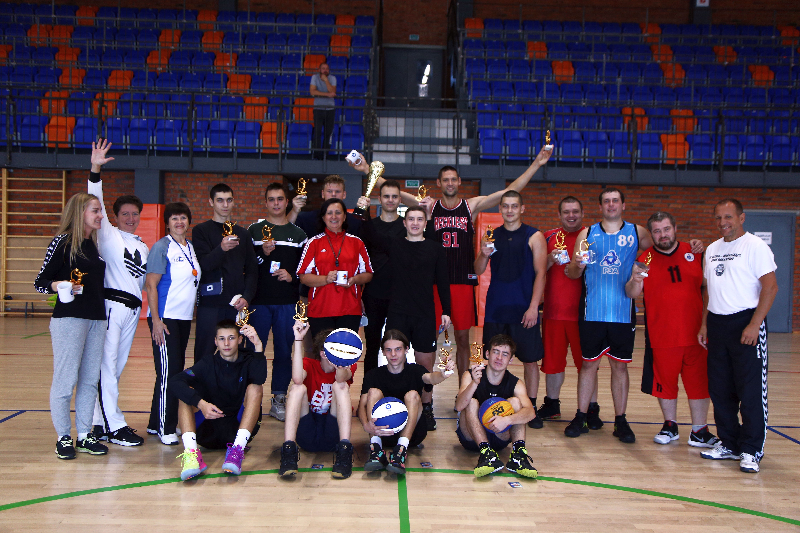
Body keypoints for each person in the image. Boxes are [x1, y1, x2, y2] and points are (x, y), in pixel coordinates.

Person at [424, 147, 553, 379]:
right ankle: (427, 391)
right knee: (429, 339)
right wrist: (368, 172)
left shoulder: (470, 206)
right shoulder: (430, 206)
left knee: (463, 339)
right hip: (434, 282)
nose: (450, 183)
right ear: (438, 182)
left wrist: (536, 164)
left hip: (462, 281)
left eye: (453, 179)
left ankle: (464, 387)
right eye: (445, 179)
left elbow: (509, 192)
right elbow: (394, 195)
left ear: (459, 181)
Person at [564, 188, 653, 444]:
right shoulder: (588, 234)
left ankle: (620, 420)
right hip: (592, 311)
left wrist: (694, 246)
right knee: (588, 365)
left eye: (615, 201)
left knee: (619, 367)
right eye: (606, 201)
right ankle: (581, 416)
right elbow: (572, 273)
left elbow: (661, 249)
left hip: (623, 312)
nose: (611, 204)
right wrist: (578, 265)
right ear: (600, 206)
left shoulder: (637, 232)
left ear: (623, 205)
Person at [625, 212, 719, 448]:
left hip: (696, 334)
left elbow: (709, 288)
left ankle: (699, 430)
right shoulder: (644, 260)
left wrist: (706, 323)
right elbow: (631, 293)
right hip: (662, 335)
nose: (663, 235)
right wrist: (635, 280)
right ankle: (670, 426)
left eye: (666, 229)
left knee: (699, 384)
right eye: (657, 231)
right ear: (651, 234)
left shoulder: (694, 253)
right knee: (665, 383)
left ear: (675, 228)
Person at [697, 199, 777, 474]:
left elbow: (770, 287)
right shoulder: (712, 249)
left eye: (728, 217)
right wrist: (705, 324)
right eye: (718, 218)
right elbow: (709, 290)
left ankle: (752, 449)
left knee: (750, 391)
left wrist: (755, 324)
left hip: (746, 322)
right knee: (720, 389)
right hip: (717, 324)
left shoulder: (755, 246)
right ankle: (729, 443)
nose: (723, 223)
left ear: (741, 218)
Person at [35, 192, 108, 459]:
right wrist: (58, 285)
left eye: (100, 210)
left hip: (96, 319)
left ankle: (85, 435)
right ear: (80, 213)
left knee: (89, 380)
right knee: (66, 380)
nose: (100, 215)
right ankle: (63, 437)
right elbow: (40, 282)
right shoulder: (62, 243)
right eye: (95, 211)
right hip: (69, 319)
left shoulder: (92, 244)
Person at [86, 140, 150, 447]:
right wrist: (95, 169)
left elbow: (145, 282)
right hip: (112, 306)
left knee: (115, 368)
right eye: (125, 213)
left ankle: (99, 423)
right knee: (106, 366)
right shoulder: (108, 234)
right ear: (114, 216)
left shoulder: (143, 245)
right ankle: (115, 425)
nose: (130, 218)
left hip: (133, 311)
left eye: (135, 214)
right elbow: (95, 197)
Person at [474, 191, 546, 430]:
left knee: (529, 361)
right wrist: (483, 254)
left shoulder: (534, 236)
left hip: (524, 310)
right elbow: (478, 269)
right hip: (496, 309)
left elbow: (541, 274)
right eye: (505, 206)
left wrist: (534, 307)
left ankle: (531, 408)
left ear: (522, 208)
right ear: (500, 209)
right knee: (491, 358)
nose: (510, 210)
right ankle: (488, 402)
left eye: (514, 206)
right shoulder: (491, 235)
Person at [170, 319, 266, 481]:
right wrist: (201, 404)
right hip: (207, 430)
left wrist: (258, 346)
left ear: (240, 339)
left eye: (231, 338)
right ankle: (192, 455)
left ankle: (237, 451)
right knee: (186, 394)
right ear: (215, 341)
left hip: (236, 429)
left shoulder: (249, 360)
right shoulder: (207, 363)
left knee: (255, 388)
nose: (226, 343)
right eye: (222, 339)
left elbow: (260, 378)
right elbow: (175, 381)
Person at [384, 206, 451, 430]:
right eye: (411, 219)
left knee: (425, 365)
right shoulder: (394, 245)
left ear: (425, 223)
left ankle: (427, 407)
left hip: (424, 314)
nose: (415, 223)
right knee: (395, 360)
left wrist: (447, 310)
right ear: (404, 223)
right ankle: (395, 406)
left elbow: (443, 281)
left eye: (419, 219)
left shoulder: (435, 248)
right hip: (398, 313)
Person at [247, 183, 307, 422]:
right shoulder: (254, 231)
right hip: (258, 302)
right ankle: (250, 397)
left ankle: (279, 398)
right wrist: (261, 254)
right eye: (271, 199)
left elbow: (305, 269)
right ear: (265, 202)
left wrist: (292, 277)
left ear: (287, 202)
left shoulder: (299, 234)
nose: (275, 203)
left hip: (287, 303)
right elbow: (246, 265)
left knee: (284, 352)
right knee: (254, 350)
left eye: (279, 199)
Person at [357, 329, 455, 475]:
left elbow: (430, 378)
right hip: (383, 434)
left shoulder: (415, 370)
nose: (393, 354)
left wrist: (442, 374)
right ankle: (376, 448)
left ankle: (401, 450)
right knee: (373, 392)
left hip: (412, 434)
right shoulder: (373, 375)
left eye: (398, 349)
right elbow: (362, 406)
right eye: (388, 350)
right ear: (383, 352)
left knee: (412, 395)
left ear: (406, 350)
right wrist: (366, 425)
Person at [539, 196, 601, 425]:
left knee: (587, 365)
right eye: (566, 212)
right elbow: (537, 270)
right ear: (559, 214)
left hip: (585, 315)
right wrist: (549, 259)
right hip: (554, 312)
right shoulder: (548, 237)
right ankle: (552, 404)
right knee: (553, 364)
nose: (571, 215)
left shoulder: (593, 237)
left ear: (583, 213)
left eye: (575, 211)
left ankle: (591, 409)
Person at [144, 202, 200, 445]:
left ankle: (155, 422)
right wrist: (156, 320)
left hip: (183, 319)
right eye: (174, 218)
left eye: (183, 218)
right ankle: (165, 427)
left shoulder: (190, 247)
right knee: (169, 373)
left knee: (172, 370)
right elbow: (151, 285)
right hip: (165, 319)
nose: (179, 222)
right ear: (167, 222)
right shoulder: (162, 246)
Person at [279, 323, 357, 479]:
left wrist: (339, 361)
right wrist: (298, 340)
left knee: (340, 386)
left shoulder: (347, 365)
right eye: (335, 349)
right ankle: (289, 451)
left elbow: (341, 378)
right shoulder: (310, 364)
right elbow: (297, 378)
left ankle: (344, 450)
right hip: (308, 430)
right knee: (297, 388)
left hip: (332, 432)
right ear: (323, 353)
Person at [455, 334, 538, 478]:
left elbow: (531, 412)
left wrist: (507, 420)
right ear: (487, 354)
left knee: (516, 402)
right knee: (471, 402)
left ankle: (518, 456)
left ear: (510, 360)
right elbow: (459, 406)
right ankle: (486, 454)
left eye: (505, 354)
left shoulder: (515, 383)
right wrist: (474, 383)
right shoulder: (471, 375)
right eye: (496, 352)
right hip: (471, 438)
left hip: (499, 436)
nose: (499, 358)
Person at [192, 183, 258, 363]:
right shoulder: (201, 231)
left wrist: (246, 297)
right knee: (204, 354)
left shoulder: (243, 234)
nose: (225, 205)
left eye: (229, 200)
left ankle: (235, 383)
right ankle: (202, 383)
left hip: (236, 305)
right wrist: (221, 248)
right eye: (220, 200)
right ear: (211, 202)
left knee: (236, 354)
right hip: (210, 304)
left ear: (233, 202)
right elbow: (204, 265)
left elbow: (252, 270)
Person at [297, 198, 373, 337]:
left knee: (346, 350)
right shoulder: (313, 243)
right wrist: (326, 279)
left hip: (350, 310)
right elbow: (303, 276)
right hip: (320, 310)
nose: (334, 217)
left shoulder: (357, 243)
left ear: (344, 216)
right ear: (323, 217)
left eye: (338, 213)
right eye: (329, 213)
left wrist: (354, 279)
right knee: (322, 350)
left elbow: (368, 273)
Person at [359, 180, 407, 374]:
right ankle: (369, 387)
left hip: (399, 296)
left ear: (400, 200)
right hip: (373, 294)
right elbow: (359, 261)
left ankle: (396, 386)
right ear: (379, 199)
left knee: (397, 347)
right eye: (386, 196)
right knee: (372, 345)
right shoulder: (368, 226)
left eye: (394, 196)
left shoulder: (407, 226)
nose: (390, 200)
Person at [289, 174, 366, 238]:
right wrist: (294, 210)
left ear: (344, 194)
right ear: (323, 194)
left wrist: (363, 210)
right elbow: (287, 231)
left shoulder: (354, 221)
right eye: (329, 191)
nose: (333, 194)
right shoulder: (306, 219)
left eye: (337, 191)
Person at [309, 62, 336, 158]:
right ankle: (317, 154)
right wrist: (327, 95)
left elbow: (333, 91)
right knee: (317, 131)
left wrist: (326, 80)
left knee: (328, 132)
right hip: (318, 108)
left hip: (330, 109)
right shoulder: (315, 77)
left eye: (327, 69)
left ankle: (325, 154)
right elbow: (312, 92)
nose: (325, 70)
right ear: (319, 70)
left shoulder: (332, 78)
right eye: (323, 68)